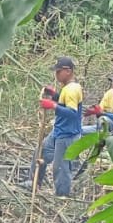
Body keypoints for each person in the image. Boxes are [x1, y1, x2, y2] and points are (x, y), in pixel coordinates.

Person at [35, 56, 84, 197]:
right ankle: (34, 183)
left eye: (58, 72)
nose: (56, 75)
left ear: (68, 71)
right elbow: (64, 102)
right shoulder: (66, 88)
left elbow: (72, 113)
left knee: (61, 167)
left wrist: (53, 106)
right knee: (41, 150)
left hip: (67, 134)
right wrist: (55, 95)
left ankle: (62, 195)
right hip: (58, 131)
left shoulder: (72, 89)